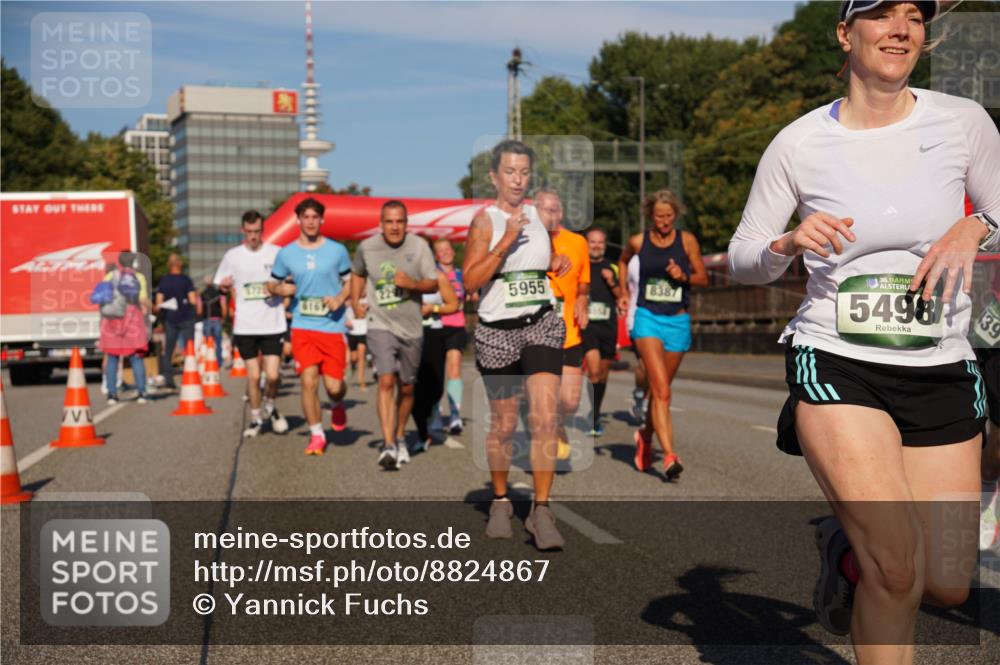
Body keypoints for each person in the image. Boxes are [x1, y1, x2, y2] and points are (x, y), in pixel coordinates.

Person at [728, 1, 999, 658]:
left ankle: (844, 553)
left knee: (947, 583)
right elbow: (742, 259)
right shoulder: (798, 142)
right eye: (882, 14)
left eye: (914, 15)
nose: (901, 28)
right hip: (837, 356)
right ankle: (870, 560)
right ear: (847, 33)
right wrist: (788, 241)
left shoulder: (964, 123)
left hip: (939, 361)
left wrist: (978, 225)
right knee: (898, 569)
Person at [463, 139, 571, 551]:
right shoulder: (485, 222)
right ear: (494, 176)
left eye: (524, 172)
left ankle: (541, 510)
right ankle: (501, 501)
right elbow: (471, 281)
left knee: (545, 417)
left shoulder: (539, 214)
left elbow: (543, 260)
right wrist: (504, 242)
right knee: (505, 424)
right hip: (496, 330)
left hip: (541, 323)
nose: (518, 179)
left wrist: (556, 263)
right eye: (510, 172)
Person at [618, 190, 708, 478]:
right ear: (650, 216)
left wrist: (684, 277)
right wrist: (623, 291)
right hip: (648, 319)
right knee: (662, 391)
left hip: (678, 322)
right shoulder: (638, 241)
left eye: (669, 216)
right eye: (659, 216)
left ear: (675, 216)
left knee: (660, 393)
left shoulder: (687, 240)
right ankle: (670, 456)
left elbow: (703, 278)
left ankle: (645, 436)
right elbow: (623, 261)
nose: (665, 221)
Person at [350, 201, 439, 469]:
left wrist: (412, 284)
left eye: (399, 221)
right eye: (389, 221)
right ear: (381, 224)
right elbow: (357, 273)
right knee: (386, 380)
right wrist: (355, 300)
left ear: (406, 223)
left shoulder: (419, 246)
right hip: (380, 322)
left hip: (411, 326)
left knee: (408, 387)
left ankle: (400, 434)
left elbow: (433, 282)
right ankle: (388, 444)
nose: (394, 226)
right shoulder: (367, 247)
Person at [268, 198, 352, 456]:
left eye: (315, 217)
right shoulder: (286, 253)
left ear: (322, 220)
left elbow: (351, 282)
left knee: (334, 387)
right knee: (307, 381)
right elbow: (271, 284)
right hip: (303, 326)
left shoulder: (337, 251)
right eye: (306, 217)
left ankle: (337, 404)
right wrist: (281, 288)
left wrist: (339, 298)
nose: (311, 221)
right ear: (299, 220)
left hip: (332, 326)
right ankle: (317, 433)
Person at [214, 210, 289, 438]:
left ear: (262, 230)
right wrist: (224, 285)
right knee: (254, 377)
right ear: (243, 231)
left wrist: (281, 291)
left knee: (273, 376)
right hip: (245, 326)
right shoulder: (232, 255)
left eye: (257, 231)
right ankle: (256, 418)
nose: (253, 236)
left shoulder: (276, 253)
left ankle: (270, 404)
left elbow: (288, 280)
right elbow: (219, 282)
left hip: (272, 323)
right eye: (249, 232)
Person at [537, 190, 590, 461]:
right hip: (534, 334)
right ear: (536, 212)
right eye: (546, 210)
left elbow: (583, 280)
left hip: (569, 332)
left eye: (556, 209)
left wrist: (582, 296)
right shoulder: (525, 242)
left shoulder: (578, 242)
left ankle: (558, 424)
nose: (552, 214)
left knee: (570, 401)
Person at [411, 265, 461, 452]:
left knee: (435, 388)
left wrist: (434, 307)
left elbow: (454, 304)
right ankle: (421, 433)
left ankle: (430, 412)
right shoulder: (402, 274)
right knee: (410, 387)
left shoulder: (439, 277)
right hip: (407, 333)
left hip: (433, 333)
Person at [582, 227, 621, 437]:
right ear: (586, 244)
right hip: (588, 327)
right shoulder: (581, 266)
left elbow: (622, 295)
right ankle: (593, 415)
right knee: (594, 370)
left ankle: (595, 413)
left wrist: (612, 282)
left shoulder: (612, 267)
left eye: (600, 242)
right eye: (592, 242)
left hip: (608, 325)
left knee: (603, 374)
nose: (596, 246)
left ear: (605, 246)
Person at [99, 251, 152, 404]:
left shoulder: (110, 276)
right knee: (136, 357)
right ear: (134, 262)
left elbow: (103, 297)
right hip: (133, 318)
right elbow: (143, 300)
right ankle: (142, 393)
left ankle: (112, 395)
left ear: (119, 262)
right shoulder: (139, 277)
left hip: (113, 320)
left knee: (112, 357)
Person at [433, 238, 469, 435]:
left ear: (453, 253)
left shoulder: (461, 275)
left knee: (454, 370)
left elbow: (473, 292)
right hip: (435, 327)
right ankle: (436, 415)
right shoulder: (431, 275)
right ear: (436, 255)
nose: (445, 252)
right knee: (436, 373)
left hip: (456, 326)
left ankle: (455, 416)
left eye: (448, 249)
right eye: (441, 250)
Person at [155, 254, 199, 391]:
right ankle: (190, 377)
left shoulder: (164, 281)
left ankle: (169, 380)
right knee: (189, 349)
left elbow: (158, 303)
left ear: (169, 264)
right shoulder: (186, 280)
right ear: (180, 264)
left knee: (169, 350)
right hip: (186, 317)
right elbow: (192, 300)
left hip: (170, 318)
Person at [199, 275, 227, 369]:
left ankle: (208, 361)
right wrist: (223, 318)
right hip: (217, 320)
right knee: (218, 342)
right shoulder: (219, 294)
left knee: (207, 342)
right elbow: (223, 307)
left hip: (206, 320)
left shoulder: (202, 294)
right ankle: (218, 362)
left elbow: (199, 309)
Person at [345, 296, 369, 391]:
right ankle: (352, 366)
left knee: (361, 356)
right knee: (353, 358)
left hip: (363, 329)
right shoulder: (350, 298)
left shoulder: (368, 298)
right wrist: (346, 322)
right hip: (352, 330)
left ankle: (361, 382)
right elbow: (344, 310)